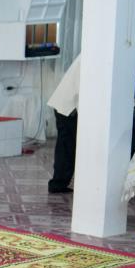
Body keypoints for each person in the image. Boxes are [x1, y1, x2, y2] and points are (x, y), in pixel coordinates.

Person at [47, 53, 80, 194]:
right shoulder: (93, 57)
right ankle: (58, 184)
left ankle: (58, 183)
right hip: (68, 108)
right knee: (66, 148)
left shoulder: (90, 55)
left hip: (65, 105)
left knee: (65, 148)